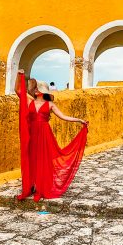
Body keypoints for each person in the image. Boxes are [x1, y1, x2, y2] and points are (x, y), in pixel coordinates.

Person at [16, 69, 88, 202]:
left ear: (43, 92)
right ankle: (31, 185)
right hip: (32, 134)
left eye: (38, 88)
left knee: (43, 159)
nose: (36, 90)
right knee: (31, 158)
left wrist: (79, 120)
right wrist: (19, 75)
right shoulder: (29, 101)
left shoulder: (50, 104)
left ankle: (41, 187)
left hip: (44, 134)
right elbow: (18, 91)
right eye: (36, 88)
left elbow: (63, 117)